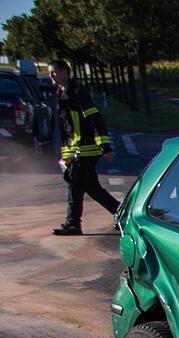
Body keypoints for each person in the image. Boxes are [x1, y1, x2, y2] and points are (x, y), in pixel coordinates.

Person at [48, 59, 119, 236]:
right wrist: (65, 154)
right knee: (92, 188)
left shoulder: (79, 93)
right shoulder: (61, 94)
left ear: (65, 72)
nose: (51, 76)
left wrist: (105, 145)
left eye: (54, 72)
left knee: (75, 184)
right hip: (75, 150)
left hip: (86, 149)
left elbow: (94, 119)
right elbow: (66, 129)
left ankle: (73, 224)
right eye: (50, 72)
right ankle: (124, 216)